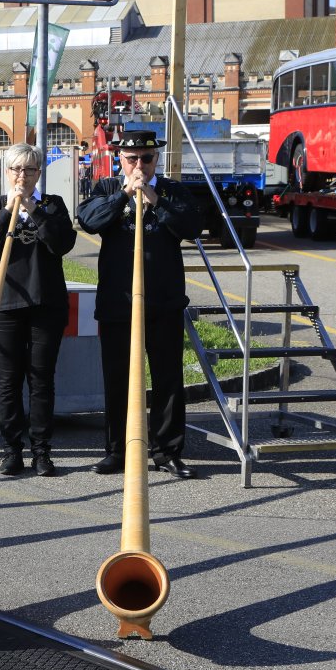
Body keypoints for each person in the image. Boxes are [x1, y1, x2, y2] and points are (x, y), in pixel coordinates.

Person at [78, 128, 205, 479]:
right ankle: (118, 451)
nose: (139, 165)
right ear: (120, 159)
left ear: (156, 159)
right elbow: (89, 220)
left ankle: (167, 452)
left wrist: (154, 198)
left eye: (146, 159)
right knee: (118, 380)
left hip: (163, 303)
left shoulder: (171, 191)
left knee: (168, 380)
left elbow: (192, 226)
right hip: (118, 304)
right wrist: (124, 195)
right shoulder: (106, 188)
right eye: (132, 158)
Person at [0, 143, 77, 476]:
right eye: (16, 169)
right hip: (7, 303)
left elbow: (62, 244)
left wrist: (33, 210)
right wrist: (9, 210)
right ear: (7, 172)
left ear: (38, 173)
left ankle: (42, 451)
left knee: (41, 380)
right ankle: (11, 450)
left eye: (30, 169)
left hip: (46, 303)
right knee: (9, 381)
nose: (23, 176)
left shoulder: (52, 204)